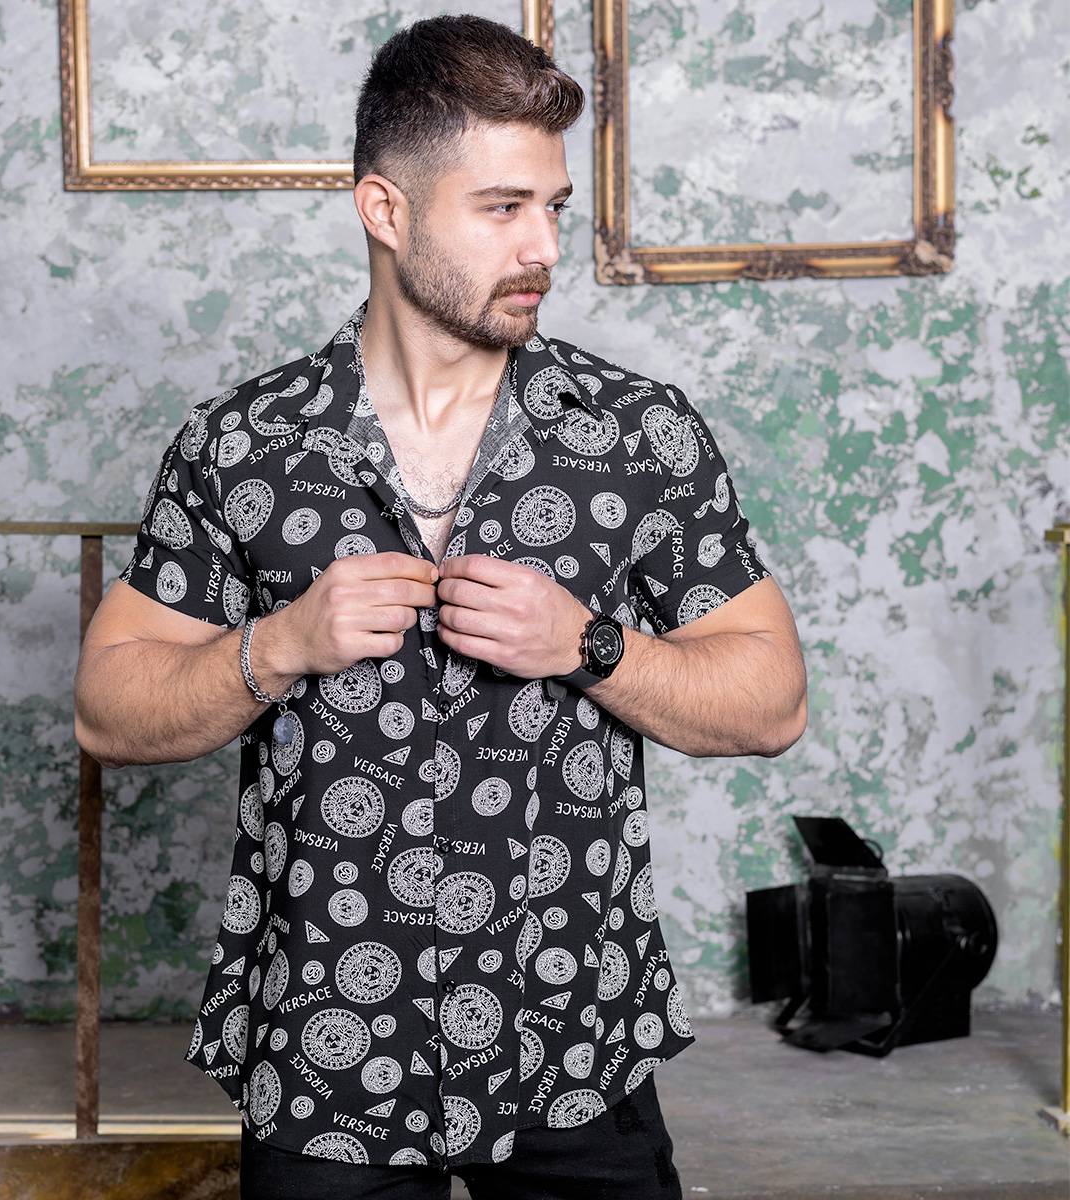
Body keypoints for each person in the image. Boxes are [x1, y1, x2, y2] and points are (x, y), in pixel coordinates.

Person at [74, 14, 807, 1200]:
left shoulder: (638, 435)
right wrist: (280, 644)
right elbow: (107, 710)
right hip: (328, 1047)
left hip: (573, 1038)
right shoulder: (242, 444)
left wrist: (588, 645)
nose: (544, 248)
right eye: (502, 207)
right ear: (386, 209)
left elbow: (771, 701)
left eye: (553, 207)